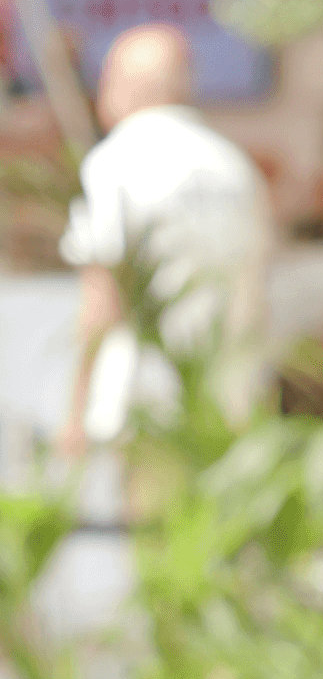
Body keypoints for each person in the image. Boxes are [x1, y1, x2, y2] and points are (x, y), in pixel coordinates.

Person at [58, 23, 271, 458]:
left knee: (150, 523)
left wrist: (76, 408)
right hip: (229, 398)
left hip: (146, 398)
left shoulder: (115, 163)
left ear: (122, 85)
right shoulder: (234, 166)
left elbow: (103, 297)